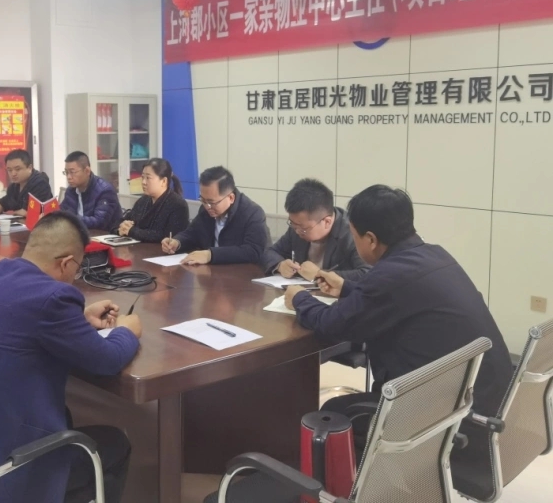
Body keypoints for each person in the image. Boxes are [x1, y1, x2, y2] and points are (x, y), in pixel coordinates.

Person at [284, 185, 513, 458]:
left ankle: (347, 484)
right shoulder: (434, 255)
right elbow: (396, 297)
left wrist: (299, 299)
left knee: (332, 415)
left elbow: (332, 324)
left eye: (355, 236)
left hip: (449, 420)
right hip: (484, 407)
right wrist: (346, 288)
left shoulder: (389, 276)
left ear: (371, 239)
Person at [0, 211, 142, 503]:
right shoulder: (53, 298)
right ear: (66, 263)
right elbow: (107, 360)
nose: (75, 277)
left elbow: (18, 320)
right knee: (115, 443)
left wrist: (79, 319)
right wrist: (127, 330)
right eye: (78, 268)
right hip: (7, 465)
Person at [161, 166, 270, 267]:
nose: (207, 206)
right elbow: (192, 233)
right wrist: (177, 242)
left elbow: (253, 251)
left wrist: (211, 255)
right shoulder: (206, 210)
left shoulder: (252, 213)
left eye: (211, 202)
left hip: (243, 275)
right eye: (203, 200)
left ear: (231, 198)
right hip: (212, 273)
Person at [264, 178, 370, 282]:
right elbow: (270, 252)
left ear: (327, 222)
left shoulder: (352, 234)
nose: (297, 231)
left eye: (303, 228)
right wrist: (280, 265)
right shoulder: (298, 226)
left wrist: (320, 274)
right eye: (293, 224)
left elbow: (367, 273)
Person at [116, 158, 189, 243]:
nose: (143, 182)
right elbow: (123, 221)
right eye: (142, 177)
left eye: (148, 178)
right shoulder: (142, 201)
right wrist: (122, 227)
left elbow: (166, 237)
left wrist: (132, 231)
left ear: (164, 181)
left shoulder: (178, 205)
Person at [60, 151, 122, 231]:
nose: (68, 177)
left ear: (87, 171)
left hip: (105, 235)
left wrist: (70, 219)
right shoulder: (71, 191)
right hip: (80, 233)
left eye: (72, 172)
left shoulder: (105, 190)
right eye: (66, 172)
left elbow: (99, 222)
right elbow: (63, 212)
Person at [0, 149, 53, 216]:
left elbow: (28, 212)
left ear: (29, 168)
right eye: (9, 170)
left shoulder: (40, 184)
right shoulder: (14, 186)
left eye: (18, 169)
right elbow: (5, 202)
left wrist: (15, 213)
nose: (13, 174)